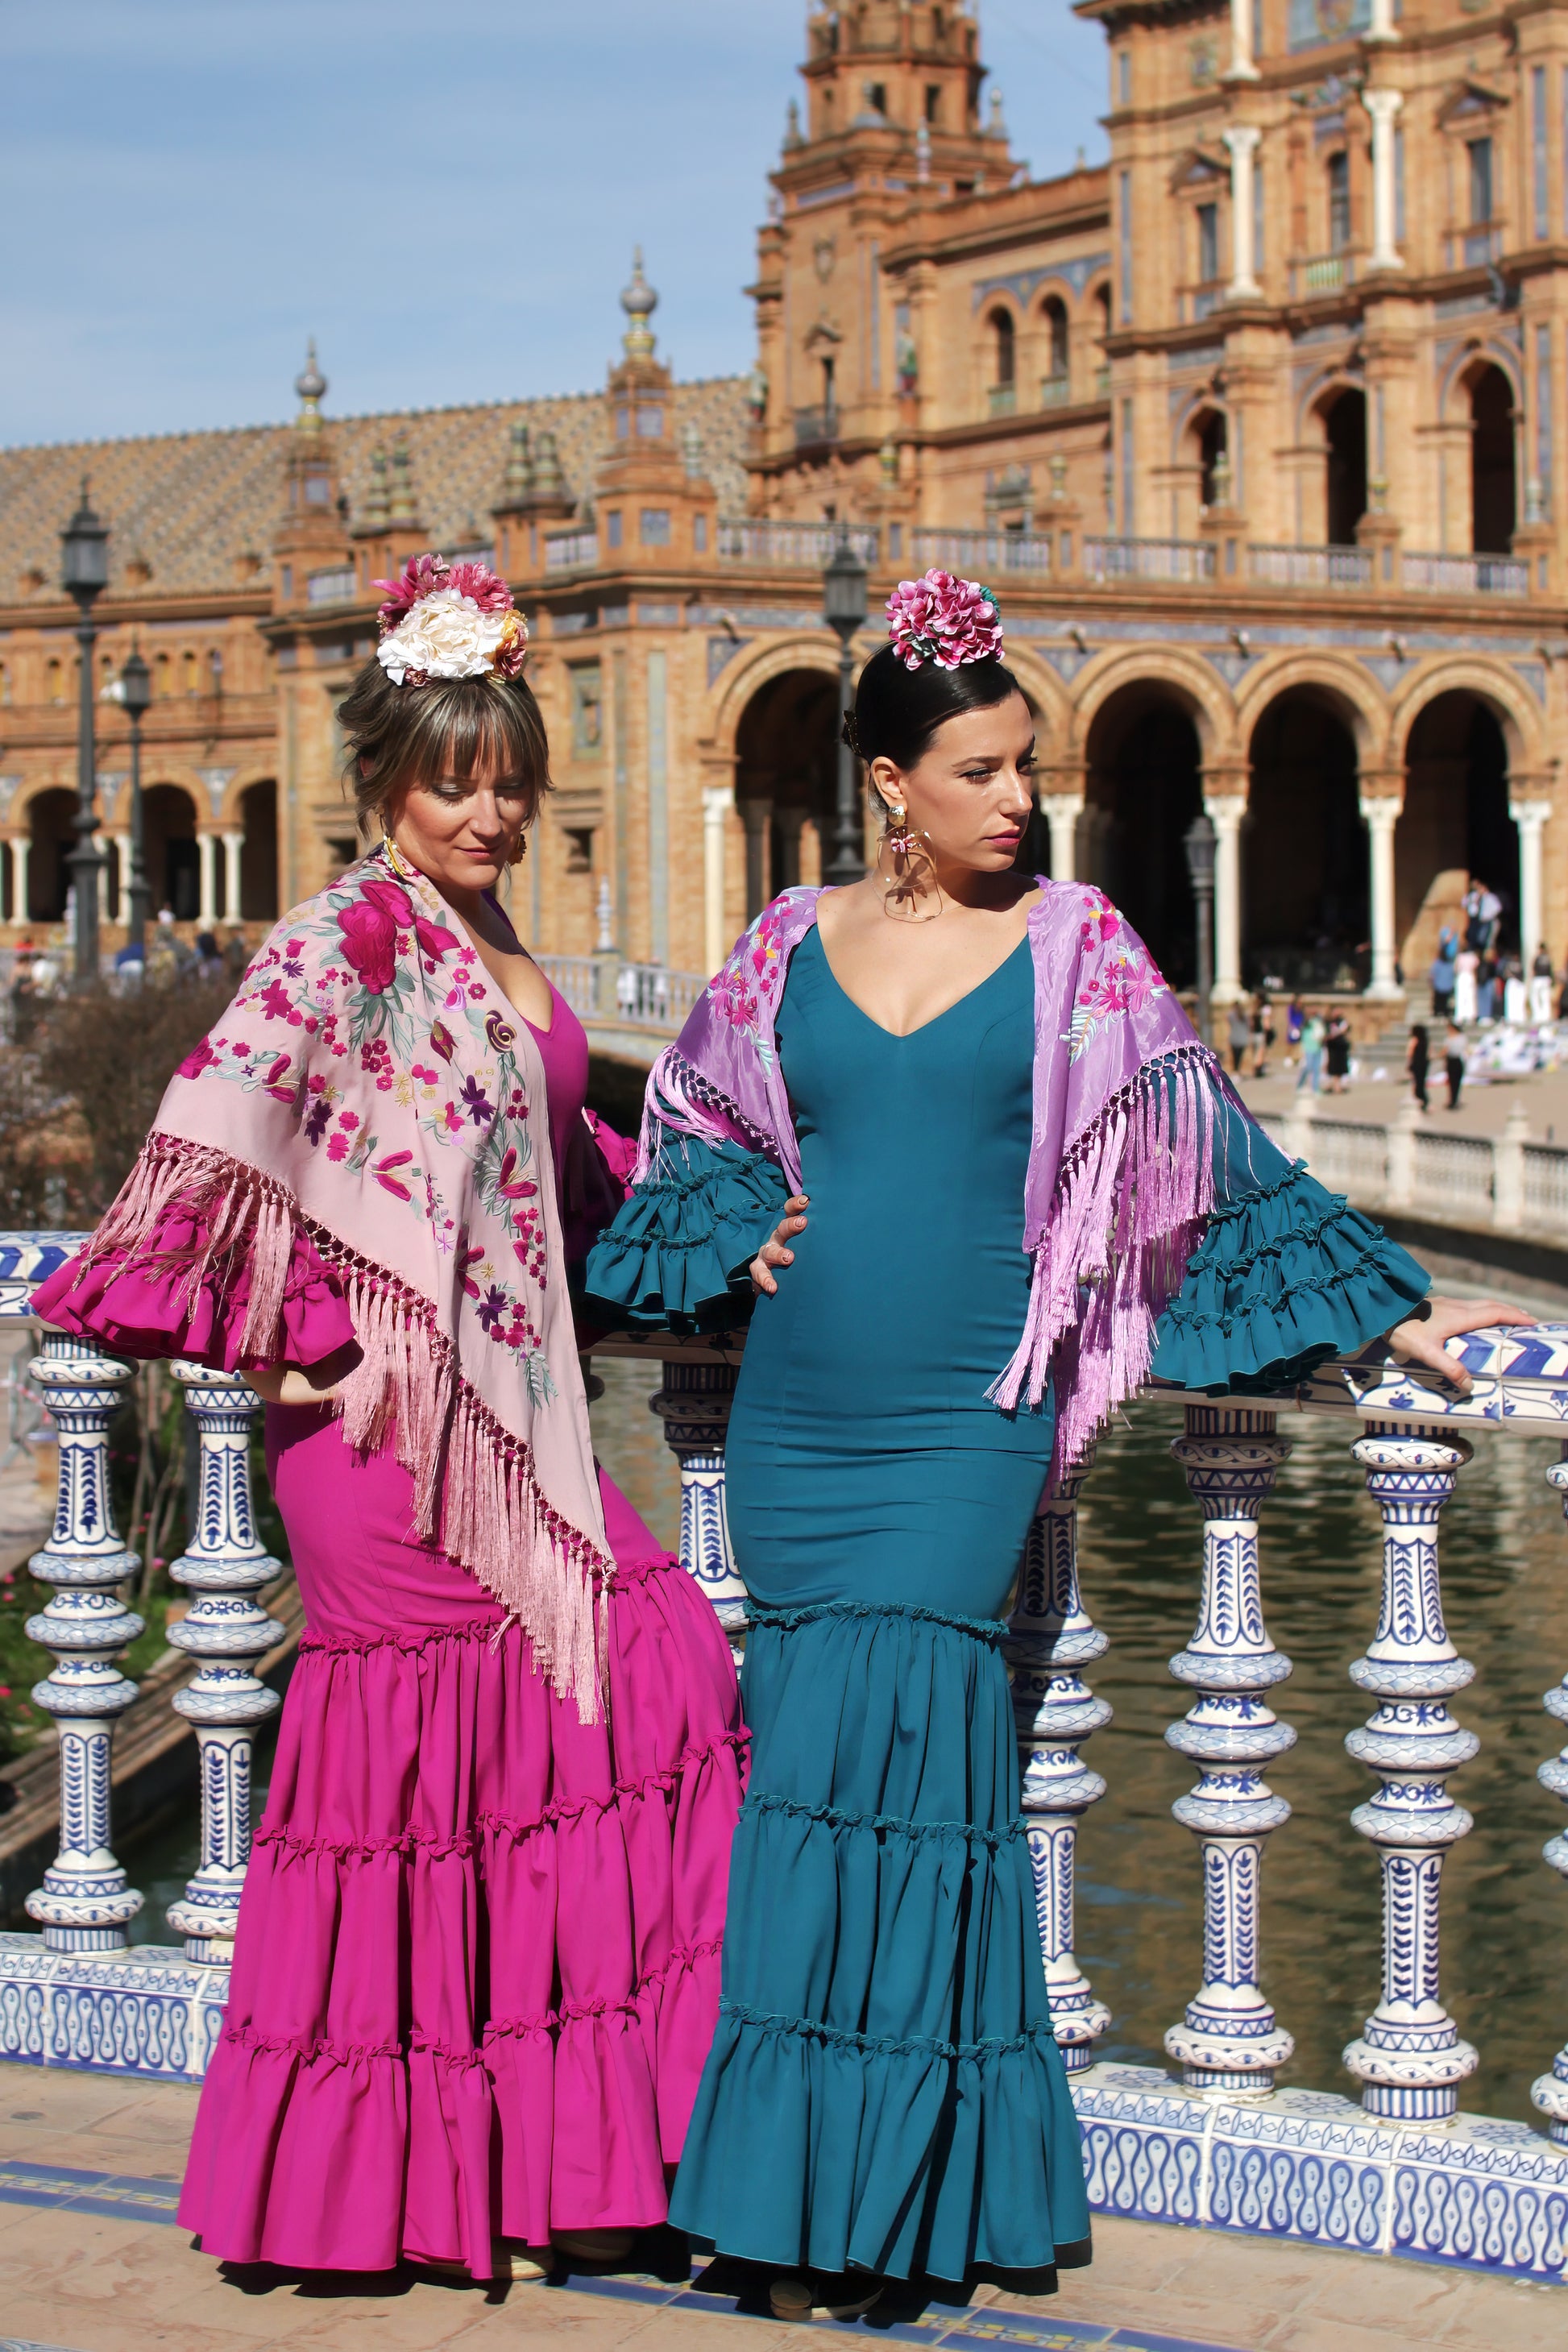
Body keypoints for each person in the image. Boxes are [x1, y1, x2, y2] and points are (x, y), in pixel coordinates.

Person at [583, 568, 1524, 2321]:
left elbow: (1210, 1152)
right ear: (893, 783)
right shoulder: (783, 944)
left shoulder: (1080, 944)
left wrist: (1396, 1310)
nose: (1019, 794)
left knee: (926, 1795)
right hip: (805, 1418)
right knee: (799, 1805)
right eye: (983, 768)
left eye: (1025, 764)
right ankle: (785, 2205)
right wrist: (730, 1232)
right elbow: (688, 1128)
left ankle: (887, 2209)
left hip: (964, 1423)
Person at [32, 554, 746, 2282]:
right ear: (380, 783)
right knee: (449, 1780)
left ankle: (504, 2162)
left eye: (510, 775)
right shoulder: (341, 937)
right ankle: (385, 2185)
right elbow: (208, 1146)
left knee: (624, 1705)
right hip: (384, 1447)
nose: (489, 808)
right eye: (454, 776)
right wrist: (303, 1346)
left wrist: (728, 1223)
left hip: (505, 1425)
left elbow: (553, 1179)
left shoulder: (488, 937)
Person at [1429, 927, 1458, 1020]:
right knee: (1440, 1000)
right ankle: (1439, 1012)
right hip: (1441, 983)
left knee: (1443, 1000)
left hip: (1445, 982)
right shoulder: (1439, 962)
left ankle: (1442, 1012)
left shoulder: (1448, 963)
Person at [1296, 1007, 1325, 1093]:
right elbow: (1302, 1035)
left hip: (1318, 1047)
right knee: (1308, 1067)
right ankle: (1300, 1085)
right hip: (1309, 1048)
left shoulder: (1319, 1022)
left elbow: (1321, 1033)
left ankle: (1315, 1088)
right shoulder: (1306, 1024)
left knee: (1316, 1069)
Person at [1324, 1010, 1351, 1094]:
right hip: (1332, 1048)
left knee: (1339, 1069)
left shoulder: (1342, 1021)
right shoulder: (1328, 1022)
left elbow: (1347, 1031)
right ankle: (1331, 1085)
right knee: (1330, 1067)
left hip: (1340, 1048)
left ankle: (1337, 1086)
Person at [1250, 989, 1274, 1077]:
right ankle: (1258, 1068)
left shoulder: (1255, 1008)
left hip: (1254, 1033)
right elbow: (1266, 1024)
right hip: (1261, 1033)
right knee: (1260, 1052)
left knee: (1255, 1052)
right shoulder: (1266, 1009)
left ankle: (1256, 1068)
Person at [1407, 1022, 1430, 1113]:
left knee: (1417, 1083)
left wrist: (1409, 1064)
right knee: (1421, 1082)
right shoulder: (1425, 1040)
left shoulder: (1414, 1041)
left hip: (1417, 1064)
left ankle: (1422, 1100)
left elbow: (1410, 1054)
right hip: (1424, 1064)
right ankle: (1423, 1101)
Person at [1445, 1014, 1466, 1110]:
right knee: (1455, 1082)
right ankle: (1454, 1100)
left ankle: (1454, 1100)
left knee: (1454, 1081)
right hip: (1455, 1059)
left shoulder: (1451, 1038)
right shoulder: (1462, 1037)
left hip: (1455, 1059)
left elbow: (1446, 1050)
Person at [1454, 945, 1479, 1025]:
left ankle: (1461, 1015)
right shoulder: (1473, 957)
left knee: (1461, 996)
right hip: (1470, 976)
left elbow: (1456, 968)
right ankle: (1470, 1015)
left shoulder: (1460, 957)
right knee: (1470, 996)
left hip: (1462, 976)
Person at [1532, 944, 1556, 1026]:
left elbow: (1533, 969)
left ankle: (1538, 1016)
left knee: (1536, 998)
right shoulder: (1548, 958)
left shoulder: (1538, 958)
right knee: (1545, 998)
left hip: (1538, 979)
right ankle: (1546, 1016)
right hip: (1546, 979)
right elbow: (1551, 970)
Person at [1226, 998, 1250, 1075]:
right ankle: (1238, 1071)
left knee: (1234, 1057)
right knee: (1239, 1057)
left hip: (1234, 1038)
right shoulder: (1245, 1015)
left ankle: (1235, 1071)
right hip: (1242, 1039)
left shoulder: (1231, 1015)